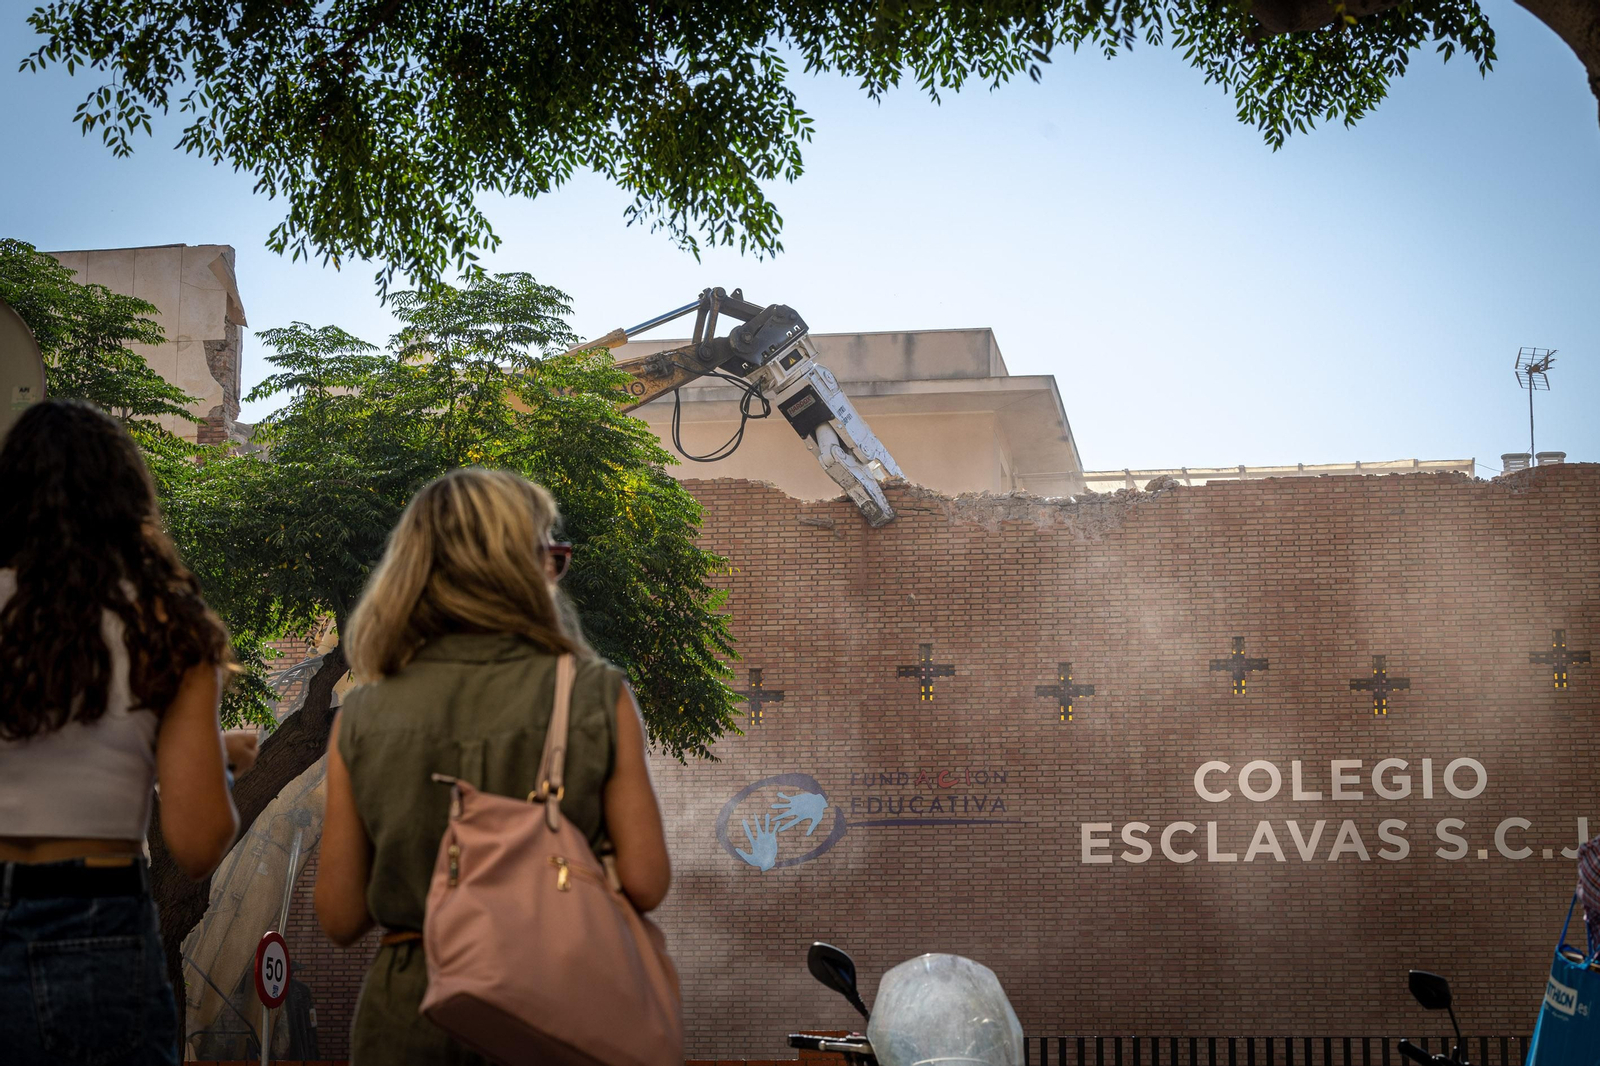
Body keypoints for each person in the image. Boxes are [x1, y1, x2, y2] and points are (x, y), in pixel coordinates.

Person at [315, 466, 671, 1064]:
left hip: (406, 1018)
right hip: (555, 1012)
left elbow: (341, 915)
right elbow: (646, 881)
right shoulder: (594, 693)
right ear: (528, 572)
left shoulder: (362, 715)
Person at [0, 399, 257, 1065]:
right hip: (98, 922)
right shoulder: (167, 626)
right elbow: (198, 843)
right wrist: (212, 765)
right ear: (128, 499)